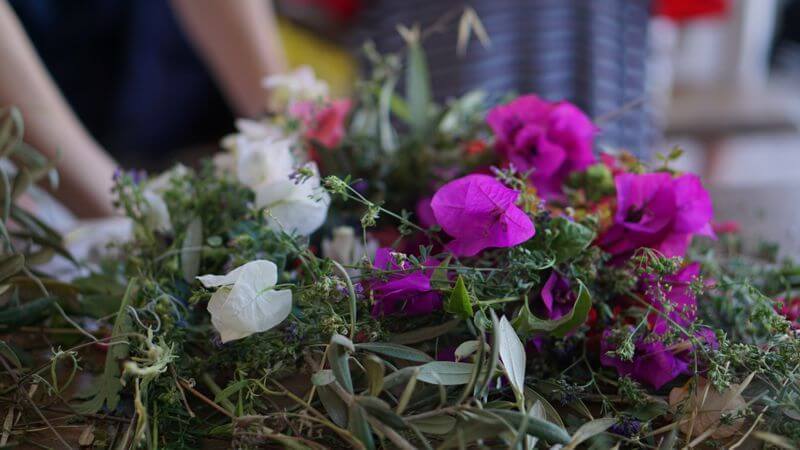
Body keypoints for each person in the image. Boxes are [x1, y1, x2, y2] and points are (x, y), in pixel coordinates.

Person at [0, 0, 287, 218]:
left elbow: (274, 110)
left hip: (168, 72)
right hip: (36, 80)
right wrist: (133, 217)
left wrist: (286, 132)